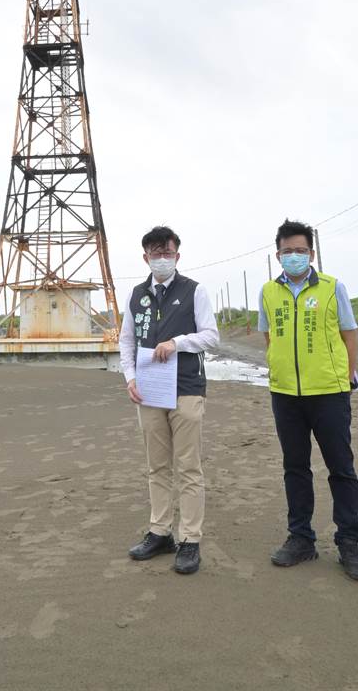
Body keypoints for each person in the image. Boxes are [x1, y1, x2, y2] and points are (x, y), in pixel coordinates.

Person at [259, 219, 358, 581]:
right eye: (288, 251)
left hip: (330, 394)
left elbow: (348, 334)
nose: (294, 256)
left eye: (301, 250)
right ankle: (301, 538)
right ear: (278, 255)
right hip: (286, 395)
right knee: (295, 468)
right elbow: (270, 338)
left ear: (312, 252)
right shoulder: (268, 292)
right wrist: (281, 371)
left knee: (341, 468)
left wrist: (346, 378)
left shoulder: (331, 288)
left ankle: (349, 543)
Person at [119, 226, 219, 574]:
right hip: (149, 391)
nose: (162, 259)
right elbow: (127, 341)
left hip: (187, 388)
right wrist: (130, 378)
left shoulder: (194, 291)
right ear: (145, 256)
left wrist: (177, 342)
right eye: (155, 253)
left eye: (168, 253)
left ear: (178, 255)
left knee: (189, 467)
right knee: (157, 466)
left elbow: (211, 336)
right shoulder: (136, 295)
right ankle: (160, 532)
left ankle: (190, 539)